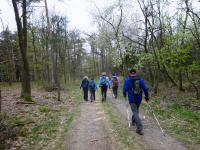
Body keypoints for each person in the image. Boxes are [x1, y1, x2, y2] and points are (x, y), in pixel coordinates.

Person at [123, 69, 149, 135]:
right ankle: (133, 121)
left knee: (135, 111)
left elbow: (124, 89)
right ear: (135, 73)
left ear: (130, 73)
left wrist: (124, 95)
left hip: (132, 99)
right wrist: (146, 96)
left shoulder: (128, 80)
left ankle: (139, 128)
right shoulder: (140, 79)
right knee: (136, 110)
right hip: (139, 98)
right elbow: (145, 88)